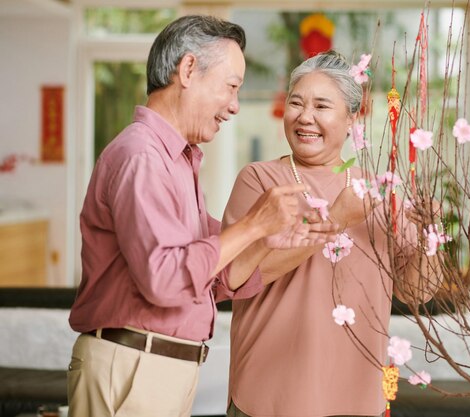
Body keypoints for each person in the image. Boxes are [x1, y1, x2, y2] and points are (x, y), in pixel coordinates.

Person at [67, 15, 336, 417]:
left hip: (158, 366)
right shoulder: (141, 156)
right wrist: (252, 225)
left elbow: (215, 277)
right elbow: (164, 279)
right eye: (231, 87)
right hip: (134, 364)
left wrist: (263, 241)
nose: (234, 106)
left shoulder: (178, 161)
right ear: (188, 70)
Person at [222, 50, 440, 417]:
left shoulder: (377, 191)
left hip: (357, 398)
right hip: (268, 395)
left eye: (321, 106)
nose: (305, 117)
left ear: (351, 118)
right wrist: (335, 221)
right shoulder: (260, 180)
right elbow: (237, 276)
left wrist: (430, 238)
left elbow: (416, 292)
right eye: (296, 103)